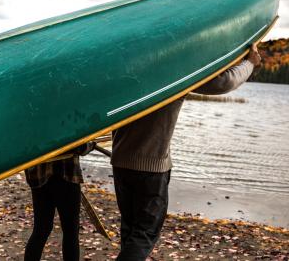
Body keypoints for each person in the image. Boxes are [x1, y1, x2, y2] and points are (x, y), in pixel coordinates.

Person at [111, 42, 262, 260]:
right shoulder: (174, 72)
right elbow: (223, 82)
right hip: (150, 167)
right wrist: (249, 63)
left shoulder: (128, 69)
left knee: (131, 231)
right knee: (144, 234)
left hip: (121, 162)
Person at [23, 143, 94, 261]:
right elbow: (78, 146)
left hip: (39, 178)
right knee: (70, 231)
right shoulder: (64, 123)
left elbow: (25, 146)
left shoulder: (29, 124)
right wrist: (90, 145)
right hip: (67, 176)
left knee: (41, 229)